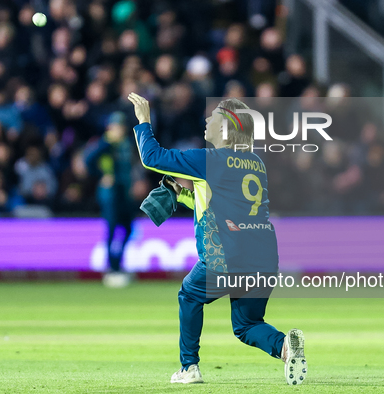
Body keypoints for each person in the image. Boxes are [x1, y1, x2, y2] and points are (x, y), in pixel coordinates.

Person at [127, 92, 307, 385]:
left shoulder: (209, 159)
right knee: (248, 324)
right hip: (264, 256)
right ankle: (285, 346)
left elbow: (152, 158)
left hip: (227, 254)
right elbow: (219, 201)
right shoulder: (256, 163)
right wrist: (184, 194)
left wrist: (144, 121)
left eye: (213, 117)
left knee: (189, 294)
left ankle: (189, 367)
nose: (207, 120)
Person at [85, 111, 137, 287]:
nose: (119, 129)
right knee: (112, 228)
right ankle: (112, 269)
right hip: (110, 193)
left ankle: (117, 264)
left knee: (128, 229)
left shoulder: (125, 144)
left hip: (124, 191)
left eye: (121, 126)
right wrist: (103, 175)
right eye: (116, 126)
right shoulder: (106, 143)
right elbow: (88, 160)